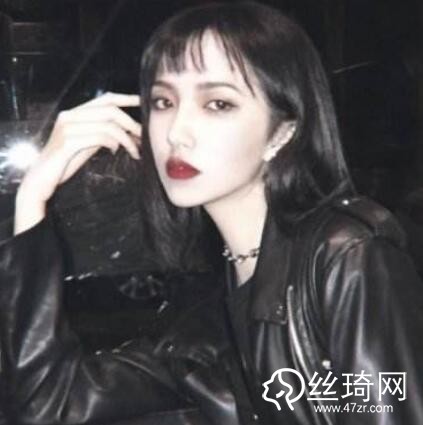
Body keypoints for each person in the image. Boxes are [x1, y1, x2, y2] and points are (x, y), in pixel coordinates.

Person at [1, 2, 423, 424]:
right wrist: (33, 196)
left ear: (283, 131)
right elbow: (51, 405)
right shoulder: (211, 300)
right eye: (163, 101)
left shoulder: (347, 257)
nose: (177, 132)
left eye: (218, 103)